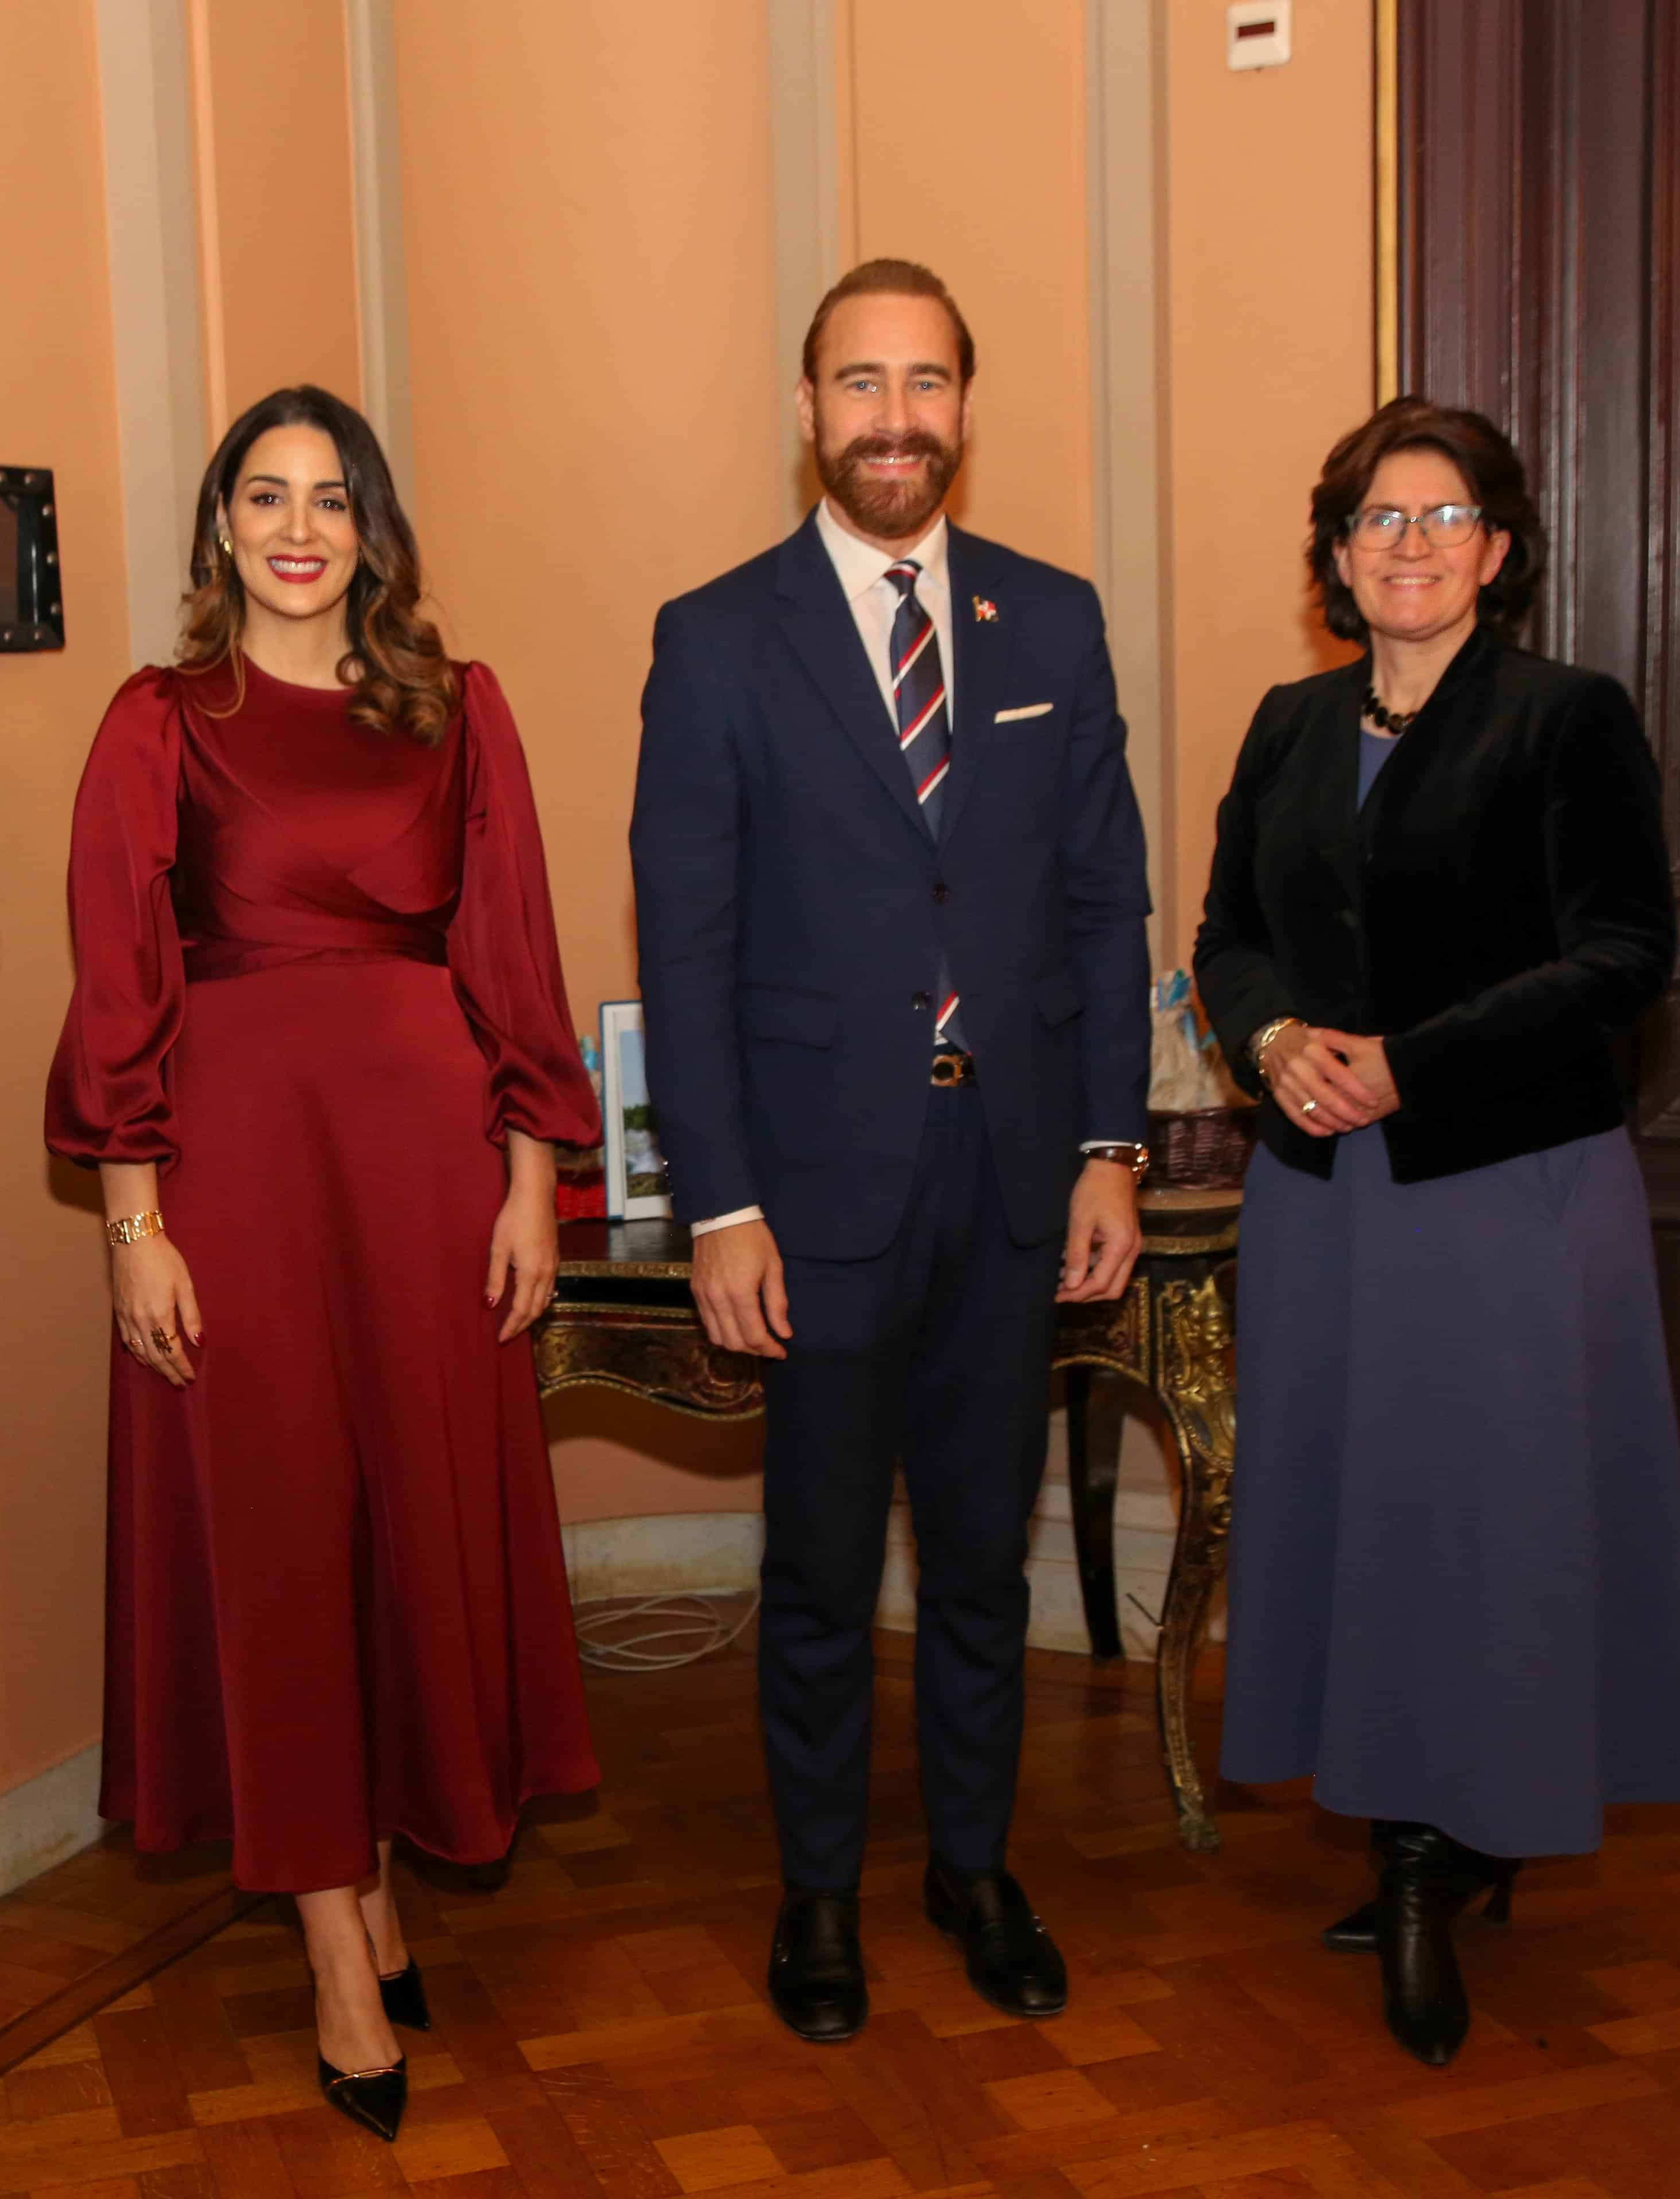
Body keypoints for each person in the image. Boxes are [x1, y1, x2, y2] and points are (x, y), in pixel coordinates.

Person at [46, 385, 600, 2144]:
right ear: (223, 528)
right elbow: (118, 985)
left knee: (410, 1519)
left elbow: (513, 958)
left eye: (332, 499)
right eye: (266, 497)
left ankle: (377, 1867)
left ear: (373, 532)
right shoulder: (161, 722)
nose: (300, 528)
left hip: (431, 1169)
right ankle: (336, 1949)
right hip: (240, 1177)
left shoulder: (458, 711)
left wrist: (531, 1186)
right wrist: (135, 1225)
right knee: (278, 1524)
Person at [631, 260, 1155, 2046]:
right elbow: (681, 943)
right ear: (808, 412)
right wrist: (720, 1200)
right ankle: (819, 1898)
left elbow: (1104, 906)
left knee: (988, 1567)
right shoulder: (715, 639)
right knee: (819, 1573)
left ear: (964, 407)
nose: (894, 419)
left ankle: (975, 1871)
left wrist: (1108, 1146)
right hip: (816, 1197)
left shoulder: (1054, 624)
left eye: (925, 383)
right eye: (861, 384)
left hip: (1013, 1181)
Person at [1194, 396, 1680, 2068]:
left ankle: (1443, 1853)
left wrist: (1406, 1066)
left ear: (1497, 555)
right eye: (1377, 519)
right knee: (1360, 1520)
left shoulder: (1567, 720)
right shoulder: (1288, 727)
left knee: (1486, 1527)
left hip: (1505, 1193)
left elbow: (1623, 953)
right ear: (1335, 557)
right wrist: (1278, 1043)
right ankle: (1416, 1824)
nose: (1407, 545)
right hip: (1316, 1203)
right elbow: (1228, 939)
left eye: (1442, 518)